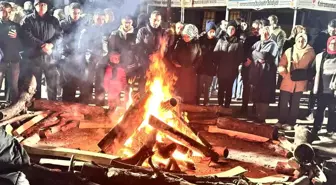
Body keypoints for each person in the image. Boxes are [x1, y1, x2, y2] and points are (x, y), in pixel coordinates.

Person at [20, 0, 62, 100]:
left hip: (50, 56)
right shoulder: (28, 20)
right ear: (35, 6)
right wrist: (43, 45)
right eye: (40, 4)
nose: (42, 6)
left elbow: (59, 35)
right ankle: (35, 104)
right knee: (34, 84)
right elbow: (26, 35)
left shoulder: (53, 20)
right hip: (34, 57)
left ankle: (52, 105)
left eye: (44, 4)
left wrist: (51, 44)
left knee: (52, 83)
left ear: (47, 6)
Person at [278, 33, 315, 130]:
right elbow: (282, 64)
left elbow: (313, 67)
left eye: (303, 41)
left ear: (306, 42)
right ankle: (281, 121)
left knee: (295, 104)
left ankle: (291, 123)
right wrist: (285, 74)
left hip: (300, 83)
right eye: (299, 40)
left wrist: (308, 76)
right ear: (296, 40)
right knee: (283, 103)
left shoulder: (310, 52)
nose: (301, 42)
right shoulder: (289, 51)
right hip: (287, 81)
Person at [245, 26, 278, 123]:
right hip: (256, 74)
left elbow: (265, 56)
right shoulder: (258, 43)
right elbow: (249, 53)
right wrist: (257, 55)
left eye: (266, 33)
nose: (264, 34)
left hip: (266, 75)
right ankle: (257, 115)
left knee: (264, 97)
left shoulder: (273, 45)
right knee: (257, 95)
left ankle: (262, 117)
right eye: (263, 32)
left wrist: (255, 54)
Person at [306, 19, 336, 120]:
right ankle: (310, 110)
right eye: (331, 30)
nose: (333, 33)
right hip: (321, 63)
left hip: (333, 67)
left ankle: (330, 120)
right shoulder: (322, 36)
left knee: (331, 95)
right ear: (328, 28)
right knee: (315, 90)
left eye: (335, 31)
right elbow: (315, 47)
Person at [78, 9, 108, 105]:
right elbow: (81, 46)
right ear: (94, 18)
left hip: (102, 61)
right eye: (98, 18)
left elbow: (108, 46)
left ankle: (99, 103)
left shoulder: (106, 31)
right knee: (88, 81)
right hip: (90, 59)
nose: (100, 21)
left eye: (102, 19)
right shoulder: (87, 31)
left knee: (100, 82)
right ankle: (87, 101)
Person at [214, 20, 244, 108]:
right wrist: (217, 63)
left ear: (235, 31)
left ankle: (227, 107)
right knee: (221, 89)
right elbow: (216, 53)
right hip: (221, 69)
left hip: (231, 71)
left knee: (228, 89)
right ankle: (220, 105)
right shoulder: (221, 40)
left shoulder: (238, 43)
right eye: (230, 28)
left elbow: (240, 57)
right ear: (227, 29)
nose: (231, 30)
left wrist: (234, 65)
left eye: (233, 29)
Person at [312, 36, 336, 138]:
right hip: (322, 88)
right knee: (319, 110)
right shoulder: (321, 56)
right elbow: (313, 70)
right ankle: (316, 128)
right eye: (331, 43)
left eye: (335, 44)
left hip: (333, 91)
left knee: (333, 111)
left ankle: (331, 129)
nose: (333, 46)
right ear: (328, 44)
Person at [136, 10, 165, 95]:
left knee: (156, 83)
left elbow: (165, 47)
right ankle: (142, 103)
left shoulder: (163, 32)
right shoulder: (143, 31)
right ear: (149, 19)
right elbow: (138, 47)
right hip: (145, 63)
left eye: (158, 20)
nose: (156, 22)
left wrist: (157, 55)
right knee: (144, 84)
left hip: (158, 63)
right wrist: (147, 56)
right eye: (154, 19)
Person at [59, 2, 84, 102]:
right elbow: (59, 39)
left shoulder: (82, 24)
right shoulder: (63, 24)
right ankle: (66, 101)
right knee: (66, 81)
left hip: (79, 56)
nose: (76, 15)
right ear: (69, 12)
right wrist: (63, 54)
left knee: (77, 79)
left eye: (78, 13)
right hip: (67, 56)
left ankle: (75, 102)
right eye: (74, 13)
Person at [172, 24, 202, 104]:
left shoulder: (196, 45)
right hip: (180, 71)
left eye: (187, 36)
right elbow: (173, 56)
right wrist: (175, 63)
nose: (185, 38)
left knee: (189, 90)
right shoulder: (179, 43)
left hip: (190, 72)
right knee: (179, 89)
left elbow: (199, 58)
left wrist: (193, 67)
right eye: (184, 36)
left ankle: (189, 106)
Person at [0, 2, 22, 103]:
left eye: (8, 12)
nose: (6, 14)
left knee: (14, 88)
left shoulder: (16, 26)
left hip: (13, 61)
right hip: (1, 61)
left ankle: (14, 112)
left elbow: (23, 44)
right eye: (4, 11)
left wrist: (17, 37)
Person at [108, 15, 139, 86]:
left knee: (129, 89)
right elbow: (110, 50)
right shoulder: (114, 34)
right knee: (115, 88)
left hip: (131, 68)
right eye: (125, 22)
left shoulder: (136, 34)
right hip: (118, 67)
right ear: (122, 21)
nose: (127, 24)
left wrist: (135, 69)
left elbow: (138, 52)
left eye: (129, 22)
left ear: (132, 22)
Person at [240, 20, 261, 115]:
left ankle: (255, 109)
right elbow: (243, 52)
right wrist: (245, 61)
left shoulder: (262, 40)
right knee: (246, 88)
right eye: (253, 29)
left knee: (256, 89)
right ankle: (244, 107)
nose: (255, 30)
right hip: (247, 68)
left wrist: (252, 60)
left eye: (257, 28)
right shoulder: (248, 39)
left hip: (257, 68)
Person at [197, 21, 217, 105]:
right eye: (210, 31)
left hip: (210, 68)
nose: (212, 33)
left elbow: (217, 54)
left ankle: (206, 102)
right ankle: (196, 102)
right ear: (207, 31)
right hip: (201, 67)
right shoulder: (201, 40)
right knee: (199, 86)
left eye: (213, 31)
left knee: (208, 87)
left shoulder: (216, 41)